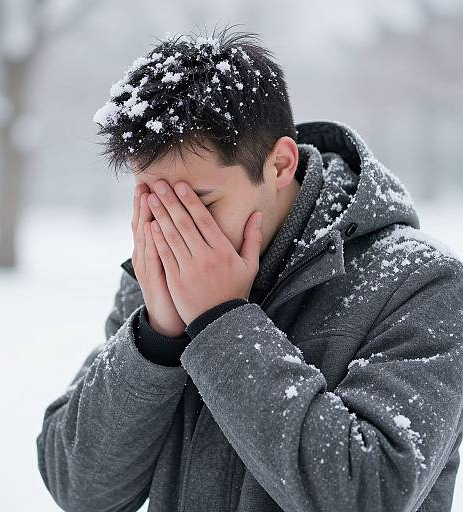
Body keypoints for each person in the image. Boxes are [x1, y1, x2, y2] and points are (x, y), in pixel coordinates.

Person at [36, 25, 463, 512]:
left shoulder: (421, 284)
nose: (177, 230)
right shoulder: (161, 271)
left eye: (199, 203)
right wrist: (157, 338)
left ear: (279, 165)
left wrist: (221, 322)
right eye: (154, 205)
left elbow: (370, 492)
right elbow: (80, 489)